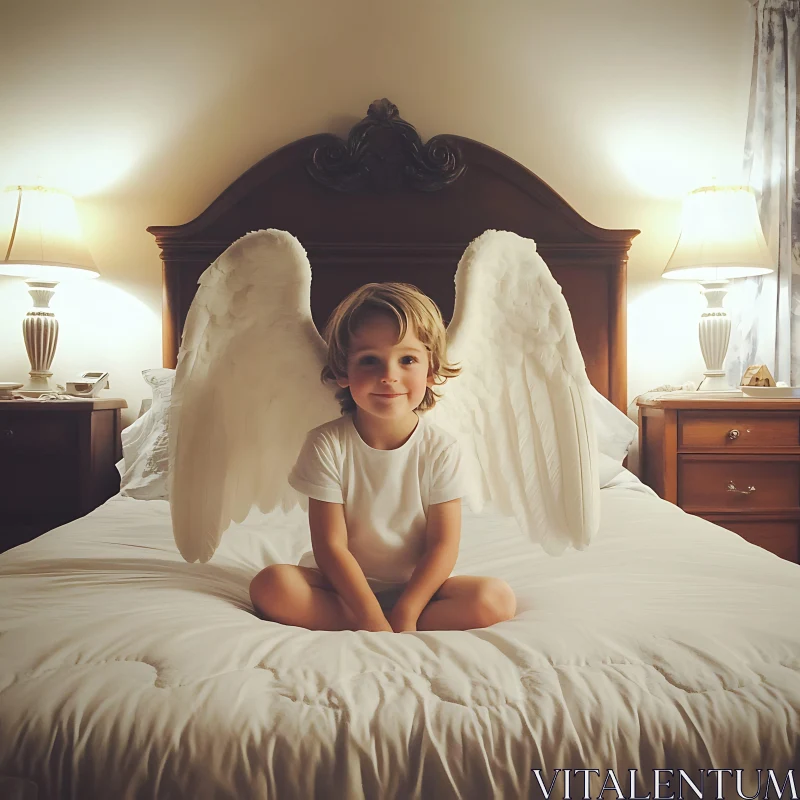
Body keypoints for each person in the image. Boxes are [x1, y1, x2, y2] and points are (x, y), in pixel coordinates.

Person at [249, 282, 516, 633]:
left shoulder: (441, 448)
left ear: (432, 370)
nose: (388, 375)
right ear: (343, 372)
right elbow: (330, 545)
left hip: (419, 590)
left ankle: (389, 620)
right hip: (341, 586)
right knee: (271, 585)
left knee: (496, 599)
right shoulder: (327, 444)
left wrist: (406, 610)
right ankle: (368, 620)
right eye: (369, 360)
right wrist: (369, 615)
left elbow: (443, 545)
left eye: (407, 360)